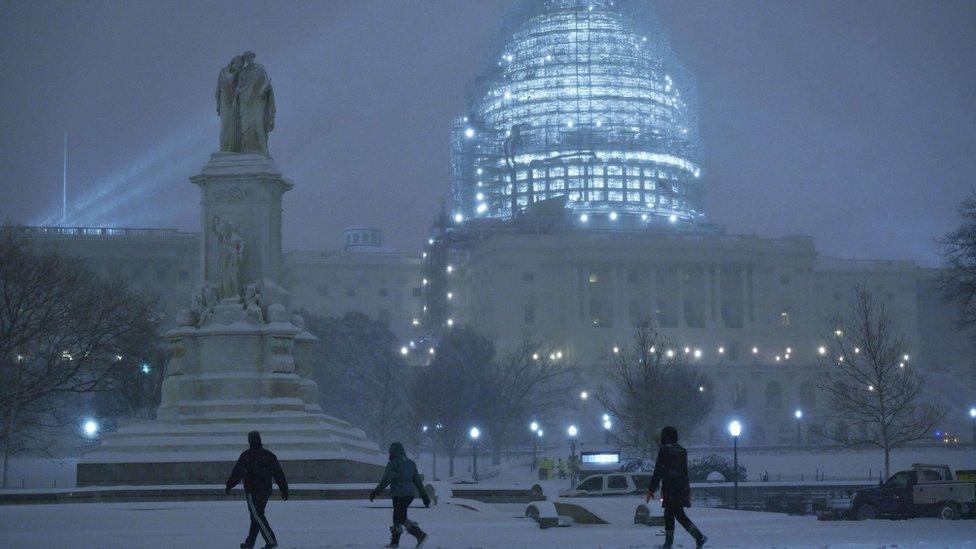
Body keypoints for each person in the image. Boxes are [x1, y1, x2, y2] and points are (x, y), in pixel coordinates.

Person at [225, 431, 289, 549]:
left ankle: (271, 540)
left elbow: (237, 473)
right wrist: (284, 488)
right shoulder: (268, 455)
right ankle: (250, 541)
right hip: (265, 490)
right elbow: (278, 473)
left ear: (249, 441)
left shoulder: (246, 456)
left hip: (252, 491)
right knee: (256, 515)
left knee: (257, 515)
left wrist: (229, 484)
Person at [647, 426, 707, 548]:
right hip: (681, 488)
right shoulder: (682, 451)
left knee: (674, 514)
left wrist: (651, 489)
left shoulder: (664, 450)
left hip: (670, 488)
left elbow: (659, 470)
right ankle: (676, 541)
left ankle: (696, 537)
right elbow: (685, 473)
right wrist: (686, 491)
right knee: (673, 513)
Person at [370, 442, 430, 548]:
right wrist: (424, 495)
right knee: (397, 516)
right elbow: (417, 481)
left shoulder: (393, 463)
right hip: (409, 494)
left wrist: (376, 491)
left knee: (400, 517)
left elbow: (386, 480)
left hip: (399, 494)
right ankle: (394, 542)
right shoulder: (411, 463)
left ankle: (420, 535)